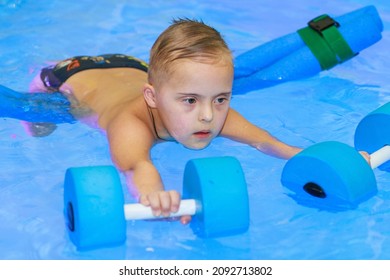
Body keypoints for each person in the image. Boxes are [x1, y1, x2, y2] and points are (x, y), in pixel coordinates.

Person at [19, 19, 304, 224]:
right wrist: (154, 196)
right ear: (152, 98)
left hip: (132, 65)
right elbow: (136, 165)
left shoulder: (211, 113)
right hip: (65, 77)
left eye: (220, 98)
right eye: (190, 100)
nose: (208, 115)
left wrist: (304, 156)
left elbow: (265, 141)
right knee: (40, 128)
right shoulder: (130, 123)